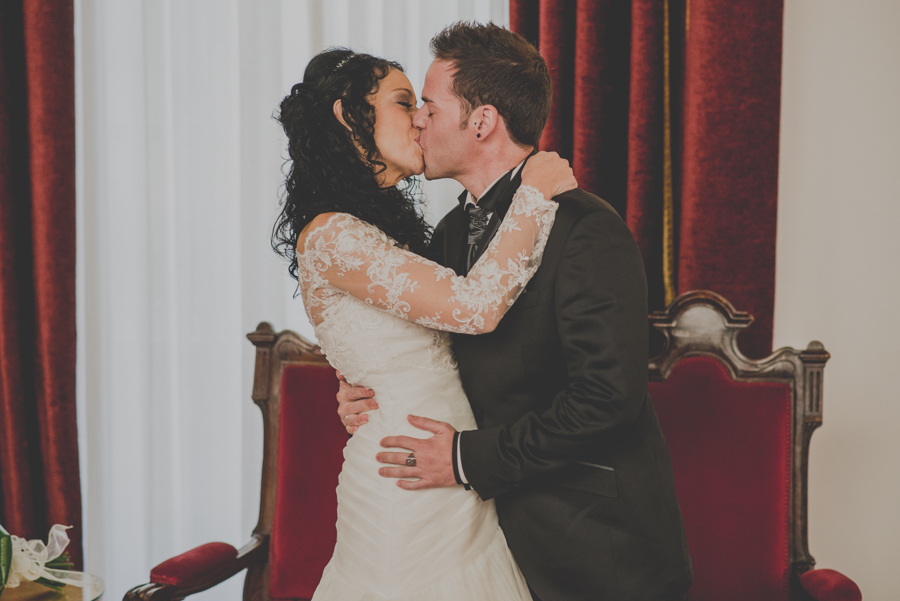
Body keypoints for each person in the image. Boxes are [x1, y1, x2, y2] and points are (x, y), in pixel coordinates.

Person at [337, 22, 694, 601]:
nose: (418, 119)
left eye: (429, 103)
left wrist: (463, 458)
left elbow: (607, 400)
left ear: (481, 120)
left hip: (594, 548)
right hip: (484, 542)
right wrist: (366, 388)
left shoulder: (586, 228)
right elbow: (430, 352)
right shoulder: (451, 232)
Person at [273, 46, 577, 601]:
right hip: (405, 489)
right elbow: (474, 308)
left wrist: (352, 384)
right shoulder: (332, 235)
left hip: (456, 482)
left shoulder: (381, 231)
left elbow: (406, 340)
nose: (418, 118)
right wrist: (533, 192)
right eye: (402, 102)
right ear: (347, 116)